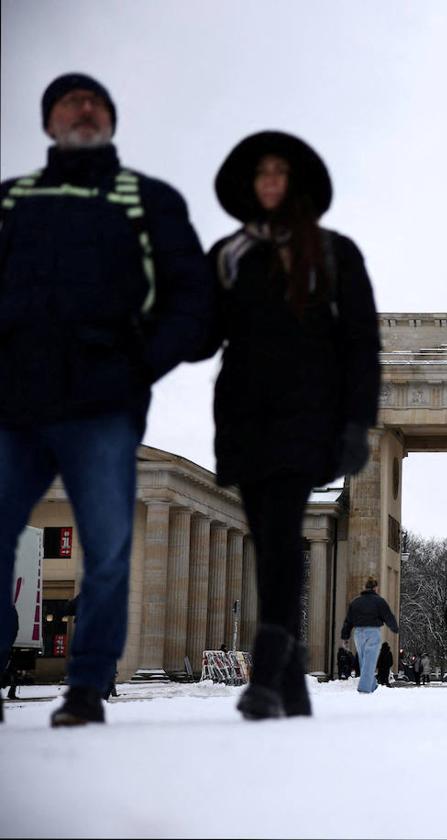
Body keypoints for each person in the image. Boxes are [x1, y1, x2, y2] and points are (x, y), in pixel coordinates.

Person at [0, 74, 212, 727]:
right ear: (48, 122)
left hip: (101, 403)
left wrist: (135, 368)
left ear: (112, 120)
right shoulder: (11, 200)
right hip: (12, 401)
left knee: (110, 549)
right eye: (69, 101)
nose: (83, 109)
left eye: (95, 102)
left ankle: (88, 686)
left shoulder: (146, 200)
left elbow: (195, 303)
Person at [202, 130, 381, 719]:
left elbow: (362, 344)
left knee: (279, 530)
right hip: (244, 414)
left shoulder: (334, 252)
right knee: (271, 537)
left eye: (281, 171)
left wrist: (357, 422)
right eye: (262, 172)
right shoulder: (230, 254)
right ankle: (293, 678)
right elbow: (200, 332)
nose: (271, 180)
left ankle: (268, 665)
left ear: (297, 183)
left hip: (307, 414)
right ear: (250, 185)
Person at [340, 577, 400, 695]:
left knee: (363, 660)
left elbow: (348, 621)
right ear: (375, 588)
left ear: (365, 588)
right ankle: (365, 688)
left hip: (358, 633)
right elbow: (388, 616)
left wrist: (345, 637)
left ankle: (371, 684)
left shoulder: (355, 602)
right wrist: (395, 628)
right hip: (372, 631)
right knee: (370, 660)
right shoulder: (379, 601)